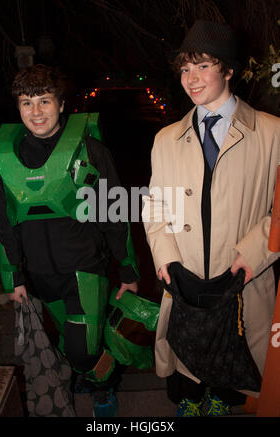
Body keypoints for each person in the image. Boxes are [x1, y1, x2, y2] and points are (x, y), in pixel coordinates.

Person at [0, 64, 139, 417]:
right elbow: (4, 224)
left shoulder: (91, 151)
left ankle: (104, 382)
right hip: (40, 273)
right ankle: (89, 368)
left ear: (62, 104)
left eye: (44, 101)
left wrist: (127, 269)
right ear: (18, 108)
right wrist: (15, 277)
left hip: (85, 269)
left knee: (83, 350)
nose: (35, 112)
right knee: (71, 344)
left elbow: (114, 212)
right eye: (26, 103)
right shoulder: (5, 158)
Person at [142, 20, 280, 416]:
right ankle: (190, 398)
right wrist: (164, 253)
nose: (191, 78)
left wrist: (255, 252)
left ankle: (222, 399)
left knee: (235, 348)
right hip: (183, 273)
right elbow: (155, 203)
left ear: (229, 70)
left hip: (241, 271)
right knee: (186, 348)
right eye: (185, 69)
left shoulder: (271, 133)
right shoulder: (166, 138)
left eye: (202, 66)